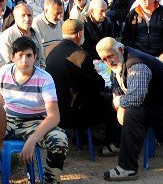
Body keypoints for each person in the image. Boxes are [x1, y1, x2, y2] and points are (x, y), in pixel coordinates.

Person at [95, 37, 163, 181]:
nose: (109, 62)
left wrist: (119, 102)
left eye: (110, 56)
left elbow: (136, 99)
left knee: (133, 112)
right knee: (111, 101)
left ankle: (128, 168)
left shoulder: (136, 65)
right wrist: (119, 104)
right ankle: (118, 143)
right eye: (104, 59)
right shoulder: (120, 59)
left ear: (120, 50)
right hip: (151, 100)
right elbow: (116, 83)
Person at [0, 36, 68, 184]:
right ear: (12, 57)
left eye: (28, 55)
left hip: (36, 123)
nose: (24, 60)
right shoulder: (3, 73)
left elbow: (54, 116)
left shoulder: (44, 78)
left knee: (60, 139)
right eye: (20, 55)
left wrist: (33, 139)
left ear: (35, 56)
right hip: (9, 120)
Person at [45, 19, 121, 158]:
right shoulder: (80, 56)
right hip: (76, 113)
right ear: (80, 34)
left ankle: (84, 137)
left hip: (56, 108)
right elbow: (98, 83)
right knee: (113, 101)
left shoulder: (52, 52)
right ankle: (114, 143)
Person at [0, 2, 45, 68]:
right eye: (23, 15)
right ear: (15, 18)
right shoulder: (6, 38)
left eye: (29, 15)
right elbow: (6, 66)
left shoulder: (36, 33)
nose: (27, 19)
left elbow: (41, 59)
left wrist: (41, 74)